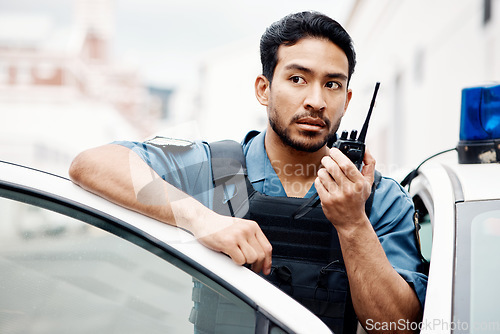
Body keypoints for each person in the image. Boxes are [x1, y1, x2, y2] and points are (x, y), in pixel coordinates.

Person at [69, 11, 427, 333]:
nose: (316, 100)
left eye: (332, 84)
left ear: (347, 101)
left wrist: (353, 225)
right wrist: (201, 219)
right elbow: (92, 164)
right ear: (264, 89)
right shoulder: (214, 168)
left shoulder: (377, 197)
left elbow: (397, 328)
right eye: (298, 79)